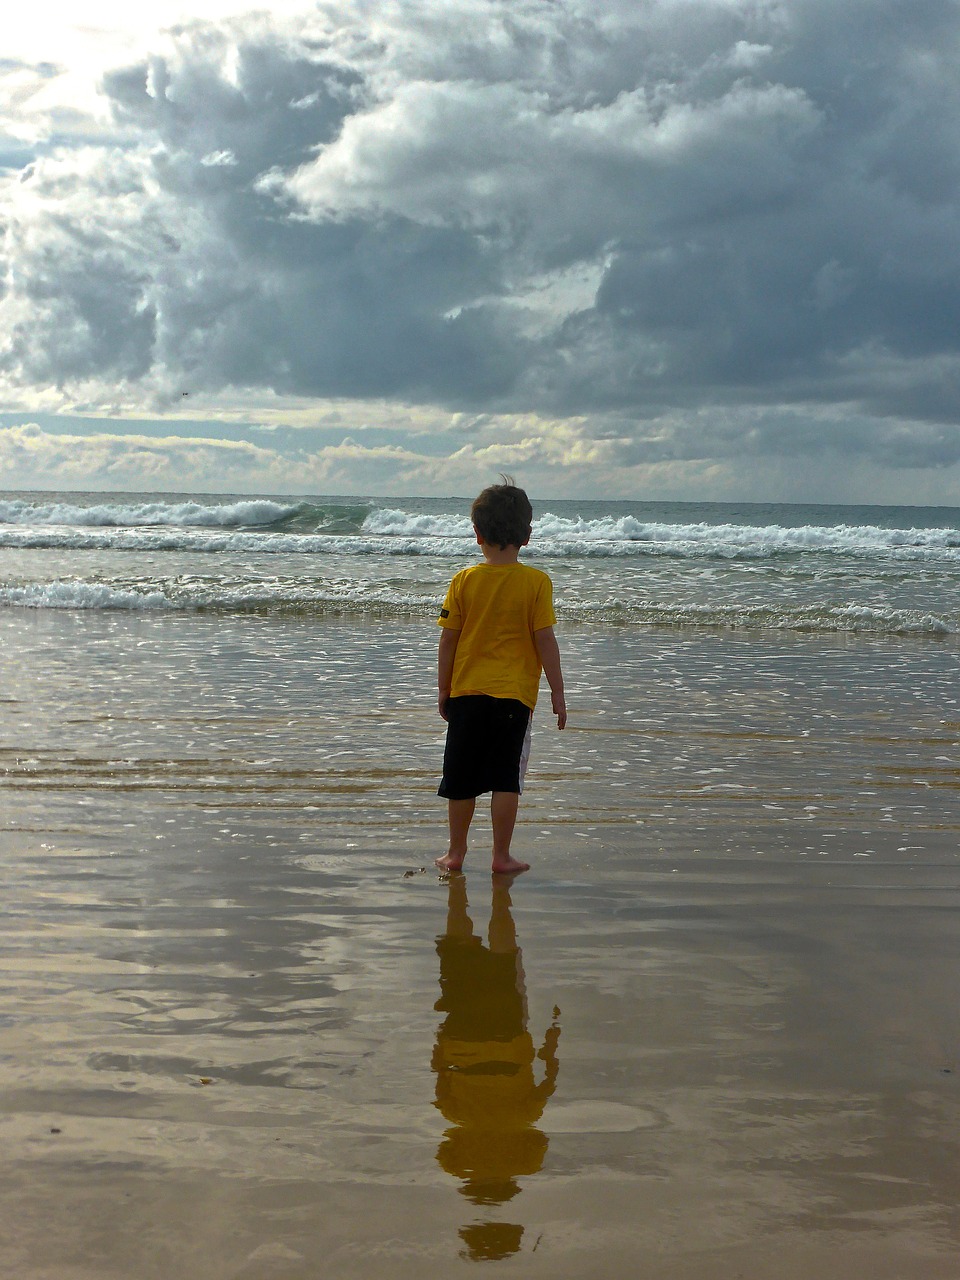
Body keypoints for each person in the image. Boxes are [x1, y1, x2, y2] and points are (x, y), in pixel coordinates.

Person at [435, 478, 566, 875]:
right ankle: (501, 856)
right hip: (514, 697)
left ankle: (456, 853)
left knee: (460, 778)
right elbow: (545, 642)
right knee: (505, 779)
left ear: (477, 534)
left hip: (467, 692)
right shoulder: (536, 582)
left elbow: (448, 641)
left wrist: (445, 690)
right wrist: (558, 695)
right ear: (526, 535)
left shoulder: (464, 580)